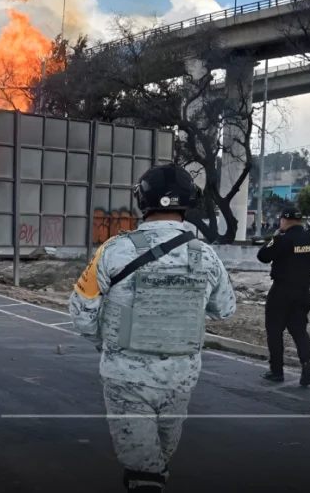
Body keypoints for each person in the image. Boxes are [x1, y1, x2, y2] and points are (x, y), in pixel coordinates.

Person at [69, 163, 236, 493]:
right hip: (180, 379)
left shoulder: (114, 250)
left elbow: (80, 311)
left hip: (125, 379)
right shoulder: (206, 256)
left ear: (141, 201)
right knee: (158, 462)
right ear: (187, 202)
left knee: (142, 467)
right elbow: (225, 310)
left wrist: (106, 344)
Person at [257, 205, 310, 386]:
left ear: (284, 220)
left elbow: (262, 256)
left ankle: (276, 371)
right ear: (299, 220)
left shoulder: (282, 239)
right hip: (302, 293)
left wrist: (274, 238)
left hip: (281, 292)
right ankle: (307, 361)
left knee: (275, 331)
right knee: (299, 330)